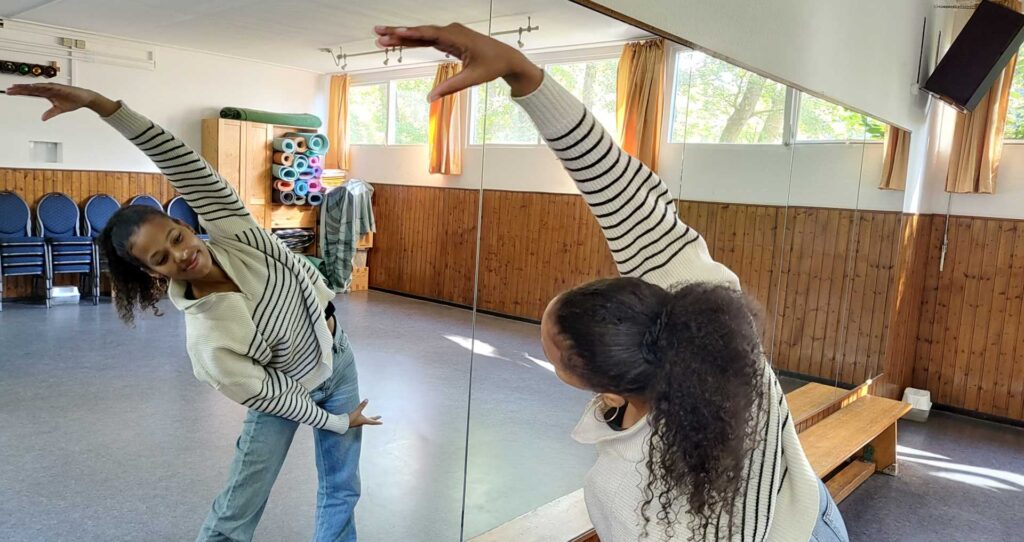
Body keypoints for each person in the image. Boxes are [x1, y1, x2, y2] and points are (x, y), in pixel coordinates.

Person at [374, 24, 849, 542]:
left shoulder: (621, 489)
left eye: (551, 351)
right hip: (810, 515)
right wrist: (522, 73)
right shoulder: (730, 354)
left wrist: (523, 72)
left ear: (597, 384)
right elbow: (628, 199)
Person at [5, 82, 381, 542]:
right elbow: (278, 398)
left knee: (343, 488)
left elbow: (181, 162)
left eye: (176, 238)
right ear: (152, 273)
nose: (180, 255)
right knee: (238, 508)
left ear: (186, 225)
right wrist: (339, 422)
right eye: (160, 258)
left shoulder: (237, 233)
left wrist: (102, 105)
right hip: (284, 389)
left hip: (338, 360)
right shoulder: (208, 337)